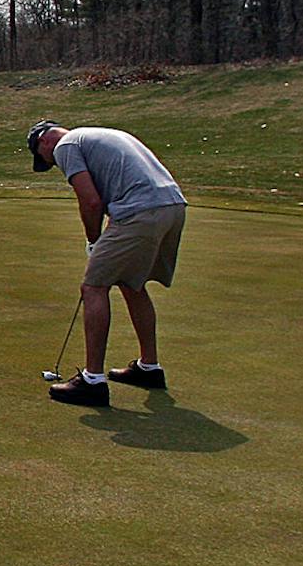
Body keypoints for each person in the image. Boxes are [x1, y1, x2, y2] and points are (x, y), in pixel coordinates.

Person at [28, 121, 187, 407]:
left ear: (43, 143)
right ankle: (148, 368)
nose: (51, 164)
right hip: (171, 207)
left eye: (44, 160)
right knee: (130, 283)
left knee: (93, 287)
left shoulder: (65, 146)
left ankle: (92, 382)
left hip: (141, 211)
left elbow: (90, 202)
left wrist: (93, 240)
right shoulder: (105, 133)